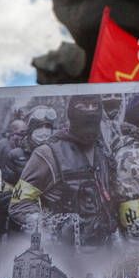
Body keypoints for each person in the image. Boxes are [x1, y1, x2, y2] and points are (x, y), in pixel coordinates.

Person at [10, 97, 117, 249]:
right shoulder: (47, 153)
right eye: (82, 106)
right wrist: (50, 230)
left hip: (103, 252)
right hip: (67, 256)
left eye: (95, 106)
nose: (90, 112)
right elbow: (19, 204)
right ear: (71, 113)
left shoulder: (102, 151)